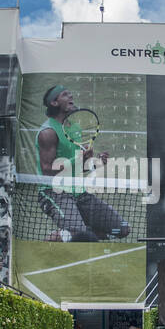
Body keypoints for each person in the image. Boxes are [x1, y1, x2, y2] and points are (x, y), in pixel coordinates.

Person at [37, 85, 130, 241]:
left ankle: (76, 231)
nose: (71, 96)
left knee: (121, 229)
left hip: (79, 192)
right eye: (65, 94)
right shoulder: (48, 133)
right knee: (79, 235)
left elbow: (76, 167)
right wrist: (79, 158)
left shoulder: (74, 128)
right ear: (54, 103)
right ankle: (56, 238)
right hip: (55, 192)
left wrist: (95, 163)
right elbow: (47, 170)